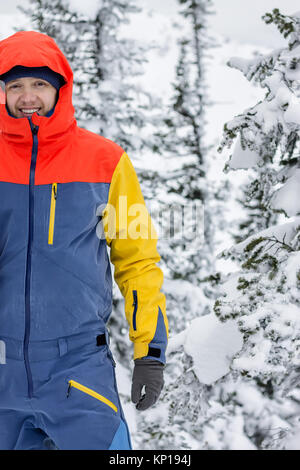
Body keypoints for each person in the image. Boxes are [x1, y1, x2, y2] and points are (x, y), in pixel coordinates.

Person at [0, 30, 168, 450]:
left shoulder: (105, 160)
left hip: (77, 366)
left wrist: (149, 351)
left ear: (60, 88)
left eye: (39, 83)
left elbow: (136, 257)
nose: (28, 96)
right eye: (15, 85)